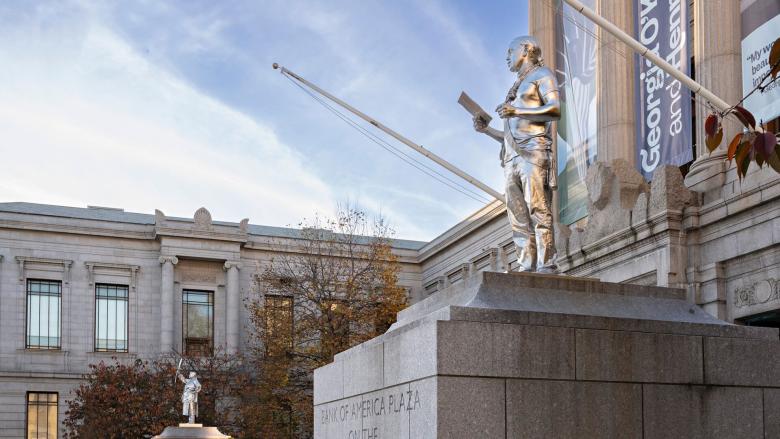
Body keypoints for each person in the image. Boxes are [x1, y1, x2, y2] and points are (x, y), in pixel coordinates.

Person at [473, 36, 561, 273]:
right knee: (517, 216)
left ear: (525, 49)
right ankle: (526, 264)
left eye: (510, 51)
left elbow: (555, 110)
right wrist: (487, 130)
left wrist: (516, 110)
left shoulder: (542, 75)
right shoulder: (515, 86)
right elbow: (510, 135)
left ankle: (547, 263)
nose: (506, 57)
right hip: (511, 158)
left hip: (533, 152)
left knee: (538, 209)